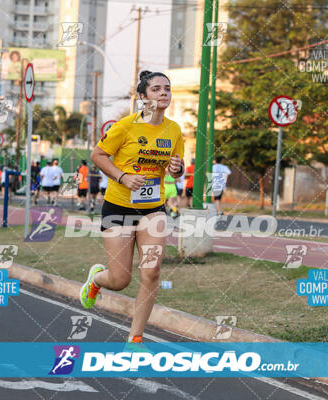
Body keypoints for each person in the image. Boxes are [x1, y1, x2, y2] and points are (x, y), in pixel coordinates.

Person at [83, 70, 185, 348]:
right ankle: (96, 279)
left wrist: (177, 169)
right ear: (142, 97)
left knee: (151, 271)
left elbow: (175, 170)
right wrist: (123, 177)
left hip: (153, 209)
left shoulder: (174, 130)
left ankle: (135, 338)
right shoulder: (125, 126)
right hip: (118, 207)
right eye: (156, 89)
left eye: (167, 88)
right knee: (120, 279)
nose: (163, 93)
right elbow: (98, 155)